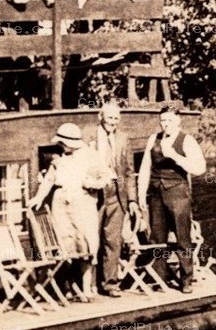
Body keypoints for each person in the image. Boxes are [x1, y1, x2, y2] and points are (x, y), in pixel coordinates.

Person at [28, 122, 108, 300]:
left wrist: (92, 184)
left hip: (83, 204)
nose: (60, 146)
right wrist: (39, 197)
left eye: (62, 143)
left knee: (85, 244)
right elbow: (49, 180)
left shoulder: (92, 156)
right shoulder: (60, 159)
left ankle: (86, 288)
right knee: (65, 244)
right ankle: (68, 288)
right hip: (61, 205)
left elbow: (107, 177)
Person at [136, 105, 207, 293]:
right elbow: (145, 168)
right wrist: (141, 193)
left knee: (182, 237)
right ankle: (160, 278)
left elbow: (199, 168)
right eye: (163, 120)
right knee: (157, 237)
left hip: (178, 193)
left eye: (169, 120)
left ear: (178, 121)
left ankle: (186, 280)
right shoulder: (154, 139)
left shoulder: (187, 140)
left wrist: (174, 155)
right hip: (156, 193)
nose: (165, 124)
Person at [85, 102, 139, 297]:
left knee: (113, 240)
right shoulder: (88, 136)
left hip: (117, 195)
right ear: (101, 117)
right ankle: (89, 285)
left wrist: (132, 199)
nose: (113, 123)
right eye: (110, 118)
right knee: (91, 240)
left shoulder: (123, 138)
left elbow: (129, 171)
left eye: (116, 119)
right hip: (94, 194)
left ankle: (110, 284)